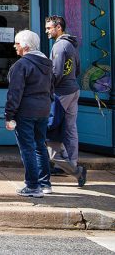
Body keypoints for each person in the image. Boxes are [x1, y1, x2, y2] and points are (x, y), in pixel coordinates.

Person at [5, 30, 54, 198]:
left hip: (26, 111)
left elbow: (14, 93)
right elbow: (51, 88)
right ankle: (45, 183)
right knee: (40, 146)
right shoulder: (47, 62)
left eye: (17, 43)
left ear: (25, 46)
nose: (14, 46)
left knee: (28, 148)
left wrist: (9, 115)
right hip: (43, 109)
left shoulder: (21, 65)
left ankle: (33, 186)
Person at [45, 15, 87, 187]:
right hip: (73, 89)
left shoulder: (60, 46)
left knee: (53, 127)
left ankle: (62, 163)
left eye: (49, 28)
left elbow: (56, 73)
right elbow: (77, 69)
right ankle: (71, 163)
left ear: (58, 28)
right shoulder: (71, 44)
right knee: (70, 128)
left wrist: (48, 89)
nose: (47, 31)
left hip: (62, 92)